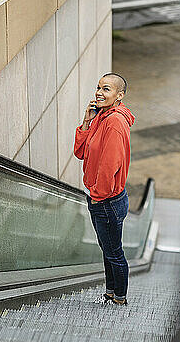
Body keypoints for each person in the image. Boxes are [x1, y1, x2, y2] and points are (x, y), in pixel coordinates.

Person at [74, 72, 135, 305]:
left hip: (107, 201)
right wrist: (87, 121)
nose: (99, 93)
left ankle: (119, 298)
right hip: (101, 198)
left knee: (114, 253)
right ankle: (110, 292)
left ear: (119, 96)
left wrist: (98, 197)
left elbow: (110, 165)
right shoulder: (101, 117)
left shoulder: (115, 123)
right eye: (98, 88)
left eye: (106, 89)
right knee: (108, 250)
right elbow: (80, 153)